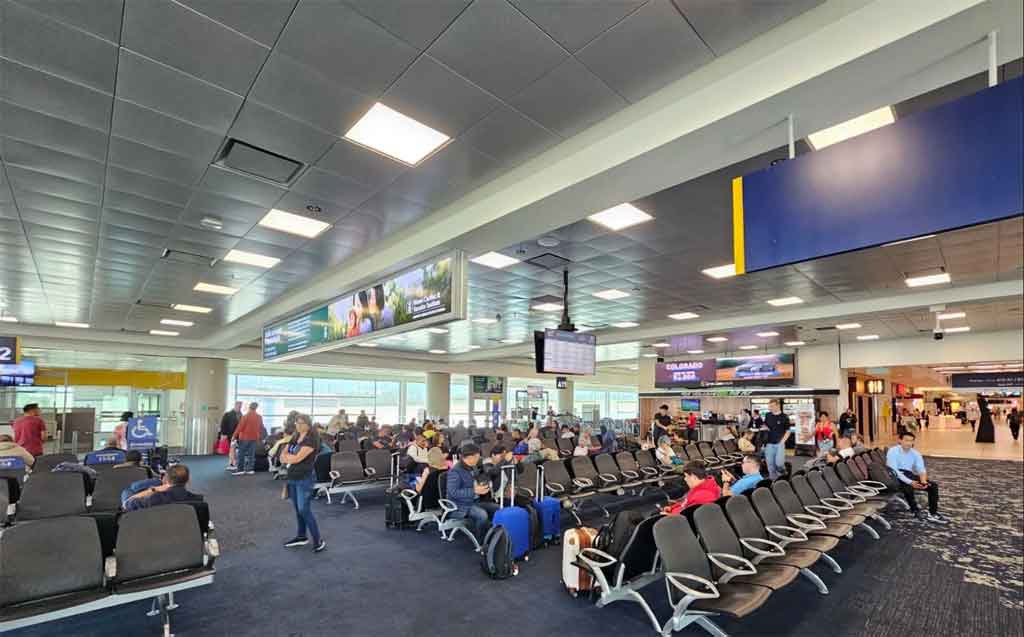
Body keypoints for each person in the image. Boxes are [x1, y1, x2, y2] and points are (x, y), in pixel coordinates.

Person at [280, 414, 326, 552]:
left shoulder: (312, 439)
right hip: (292, 477)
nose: (298, 425)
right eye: (297, 423)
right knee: (297, 509)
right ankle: (301, 536)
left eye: (301, 423)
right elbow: (282, 455)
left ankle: (318, 540)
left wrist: (288, 457)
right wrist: (288, 457)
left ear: (308, 424)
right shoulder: (295, 436)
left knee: (303, 509)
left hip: (305, 478)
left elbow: (297, 459)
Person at [886, 432, 946, 523]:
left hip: (908, 474)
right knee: (907, 487)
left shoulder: (915, 453)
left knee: (933, 486)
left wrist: (923, 481)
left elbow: (921, 469)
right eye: (906, 440)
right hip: (893, 476)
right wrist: (910, 482)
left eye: (911, 441)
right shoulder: (893, 451)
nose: (909, 443)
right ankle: (915, 511)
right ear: (900, 440)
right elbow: (894, 470)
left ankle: (932, 513)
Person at [445, 443, 491, 545]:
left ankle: (491, 535)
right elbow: (453, 492)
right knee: (482, 515)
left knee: (495, 508)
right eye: (477, 457)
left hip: (473, 500)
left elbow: (474, 481)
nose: (479, 459)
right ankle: (481, 542)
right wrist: (474, 491)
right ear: (470, 457)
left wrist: (482, 484)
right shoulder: (455, 472)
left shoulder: (472, 467)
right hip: (460, 505)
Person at [124, 464, 203, 512]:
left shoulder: (155, 498)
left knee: (128, 491)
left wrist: (153, 490)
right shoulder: (198, 500)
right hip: (183, 532)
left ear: (166, 480)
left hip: (154, 530)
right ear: (188, 480)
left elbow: (127, 504)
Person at [232, 402, 263, 476]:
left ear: (249, 407)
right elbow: (261, 427)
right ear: (256, 408)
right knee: (251, 454)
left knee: (241, 454)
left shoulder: (246, 416)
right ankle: (250, 469)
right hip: (254, 438)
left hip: (244, 438)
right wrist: (259, 436)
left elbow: (240, 427)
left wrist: (234, 436)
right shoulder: (259, 417)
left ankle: (240, 470)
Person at [762, 399, 790, 480]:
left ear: (778, 406)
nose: (770, 408)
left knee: (779, 463)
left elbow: (788, 431)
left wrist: (782, 442)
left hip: (779, 444)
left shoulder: (784, 417)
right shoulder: (768, 415)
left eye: (772, 406)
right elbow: (765, 425)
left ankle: (783, 475)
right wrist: (764, 427)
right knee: (770, 465)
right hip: (769, 443)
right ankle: (773, 481)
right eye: (769, 406)